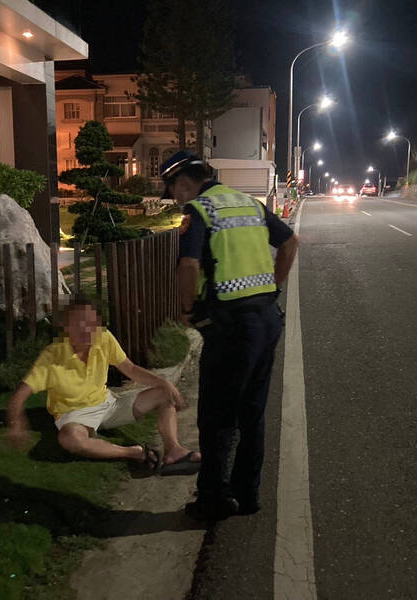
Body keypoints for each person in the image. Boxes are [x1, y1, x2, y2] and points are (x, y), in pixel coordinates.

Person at [162, 151, 299, 520]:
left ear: (184, 182)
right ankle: (247, 495)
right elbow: (290, 243)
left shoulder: (200, 210)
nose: (175, 199)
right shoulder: (248, 204)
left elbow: (189, 265)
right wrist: (272, 288)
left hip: (231, 326)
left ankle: (213, 501)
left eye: (173, 190)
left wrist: (188, 310)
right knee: (252, 413)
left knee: (217, 417)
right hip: (266, 319)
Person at [5, 295, 201, 473]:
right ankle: (133, 452)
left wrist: (164, 382)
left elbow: (130, 369)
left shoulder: (103, 338)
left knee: (163, 394)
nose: (87, 329)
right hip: (75, 414)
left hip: (108, 403)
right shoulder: (52, 356)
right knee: (69, 438)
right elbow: (20, 395)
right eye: (79, 323)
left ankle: (173, 450)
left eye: (92, 323)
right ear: (66, 327)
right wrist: (16, 425)